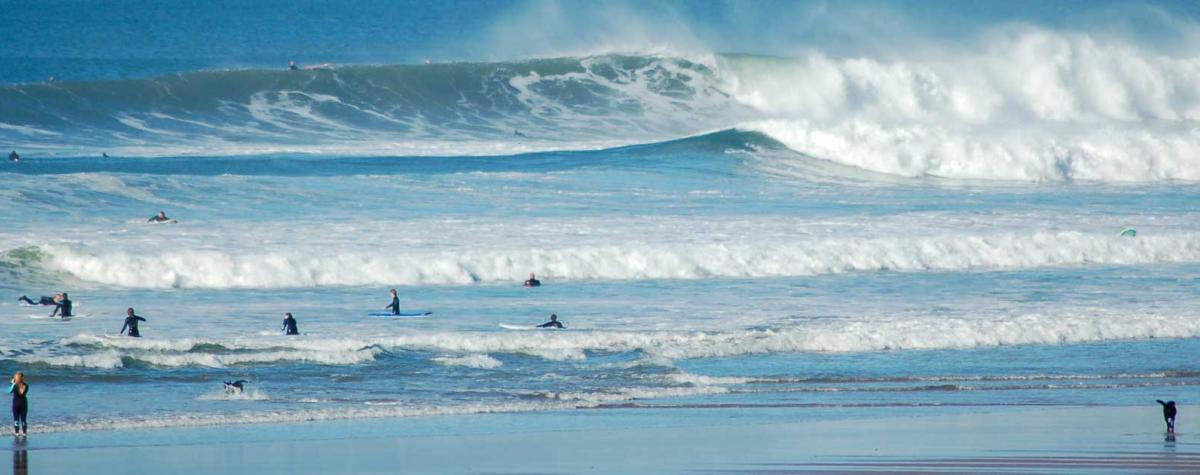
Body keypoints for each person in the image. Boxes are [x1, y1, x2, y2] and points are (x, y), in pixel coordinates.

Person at [9, 372, 27, 437]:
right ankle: (24, 433)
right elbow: (22, 393)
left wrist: (12, 383)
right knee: (23, 419)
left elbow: (9, 391)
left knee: (16, 419)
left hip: (16, 403)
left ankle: (17, 433)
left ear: (16, 378)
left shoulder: (14, 385)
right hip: (24, 403)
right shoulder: (26, 385)